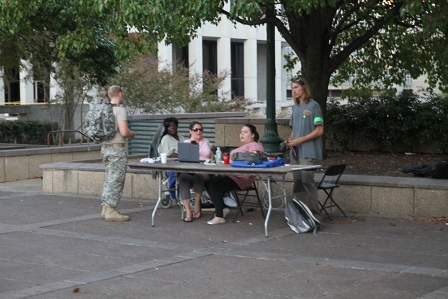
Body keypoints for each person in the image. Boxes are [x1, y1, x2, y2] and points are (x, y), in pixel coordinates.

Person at [206, 124, 264, 225]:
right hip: (231, 175)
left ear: (253, 135)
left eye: (245, 132)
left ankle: (219, 216)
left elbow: (254, 159)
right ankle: (222, 208)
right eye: (241, 132)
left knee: (213, 185)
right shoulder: (244, 146)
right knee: (208, 182)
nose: (242, 134)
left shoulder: (254, 145)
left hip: (241, 177)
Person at [287, 77, 324, 222]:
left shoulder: (313, 106)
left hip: (308, 152)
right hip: (295, 152)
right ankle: (300, 214)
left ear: (304, 88)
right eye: (292, 88)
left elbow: (319, 131)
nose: (294, 91)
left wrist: (299, 140)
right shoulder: (295, 107)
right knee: (297, 184)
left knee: (308, 184)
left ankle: (315, 217)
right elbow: (295, 129)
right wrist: (290, 141)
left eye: (296, 87)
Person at [100, 86, 136, 222]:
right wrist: (132, 133)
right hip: (117, 149)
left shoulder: (104, 109)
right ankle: (110, 210)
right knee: (116, 179)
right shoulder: (120, 110)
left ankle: (105, 207)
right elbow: (124, 132)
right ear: (120, 94)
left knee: (109, 178)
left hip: (105, 148)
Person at [178, 121, 214, 222]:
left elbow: (212, 157)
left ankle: (197, 204)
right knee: (183, 180)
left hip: (204, 171)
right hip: (189, 171)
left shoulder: (206, 141)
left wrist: (209, 167)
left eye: (200, 129)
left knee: (198, 177)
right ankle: (188, 211)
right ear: (190, 131)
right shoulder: (185, 144)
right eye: (195, 129)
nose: (198, 131)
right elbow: (182, 161)